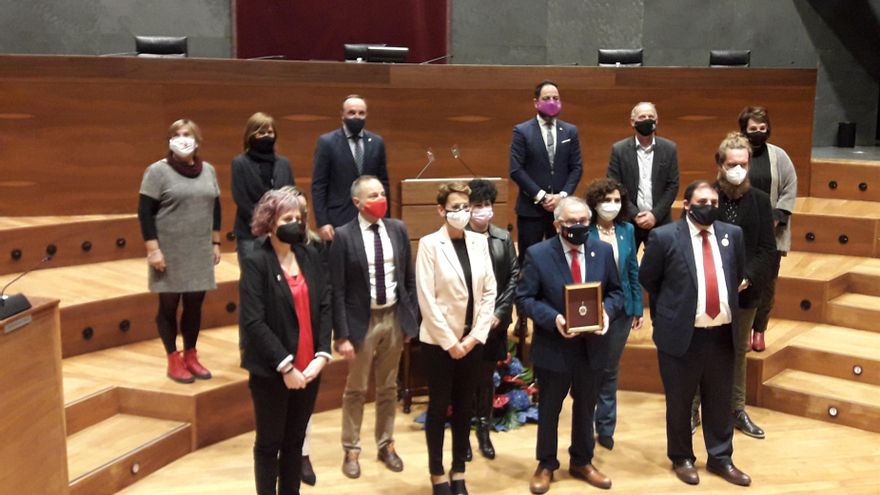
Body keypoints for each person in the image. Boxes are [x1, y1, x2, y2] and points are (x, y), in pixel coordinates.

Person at [639, 181, 751, 487]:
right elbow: (648, 277)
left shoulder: (732, 235)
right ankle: (682, 458)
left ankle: (720, 458)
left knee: (719, 401)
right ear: (687, 205)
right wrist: (672, 311)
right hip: (681, 336)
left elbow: (736, 274)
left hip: (722, 336)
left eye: (714, 201)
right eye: (703, 200)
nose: (710, 206)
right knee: (680, 401)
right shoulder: (664, 237)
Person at [517, 196, 624, 494]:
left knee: (586, 406)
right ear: (557, 225)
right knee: (549, 408)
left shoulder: (602, 251)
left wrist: (606, 312)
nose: (578, 227)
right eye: (571, 222)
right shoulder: (538, 254)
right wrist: (554, 319)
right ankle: (547, 463)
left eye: (583, 222)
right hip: (554, 346)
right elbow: (524, 299)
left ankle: (582, 460)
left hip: (592, 347)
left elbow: (615, 293)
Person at [239, 187, 333, 495]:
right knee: (269, 445)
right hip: (273, 372)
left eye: (299, 217)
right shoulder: (256, 261)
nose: (295, 222)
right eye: (287, 217)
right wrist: (285, 366)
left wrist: (322, 353)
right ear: (269, 221)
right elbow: (254, 321)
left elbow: (324, 303)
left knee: (295, 443)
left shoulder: (308, 254)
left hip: (309, 369)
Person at [329, 176, 420, 479]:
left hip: (393, 318)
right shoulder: (343, 236)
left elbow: (408, 279)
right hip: (361, 322)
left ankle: (386, 444)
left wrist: (410, 320)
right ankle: (351, 449)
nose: (381, 198)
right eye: (373, 195)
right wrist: (341, 335)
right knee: (355, 390)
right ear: (357, 202)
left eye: (382, 192)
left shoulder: (398, 229)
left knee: (388, 388)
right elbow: (337, 290)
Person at [690, 132, 775, 440]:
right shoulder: (707, 196)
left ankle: (736, 409)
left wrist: (747, 276)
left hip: (745, 292)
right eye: (732, 164)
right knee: (702, 349)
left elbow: (767, 248)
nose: (738, 169)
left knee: (738, 351)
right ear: (720, 164)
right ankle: (693, 407)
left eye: (743, 163)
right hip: (707, 290)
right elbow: (690, 241)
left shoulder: (760, 201)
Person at [416, 182, 497, 495]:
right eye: (455, 208)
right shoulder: (429, 244)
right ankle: (437, 474)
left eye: (466, 207)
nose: (462, 213)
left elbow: (489, 291)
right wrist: (451, 342)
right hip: (439, 343)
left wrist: (475, 336)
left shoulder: (479, 242)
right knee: (439, 408)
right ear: (441, 210)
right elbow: (426, 297)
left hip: (472, 341)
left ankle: (458, 471)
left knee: (465, 407)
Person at [138, 119, 221, 384]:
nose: (182, 138)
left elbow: (215, 206)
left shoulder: (208, 170)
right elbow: (145, 213)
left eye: (188, 134)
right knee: (169, 305)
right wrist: (153, 250)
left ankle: (191, 355)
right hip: (169, 250)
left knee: (195, 305)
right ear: (169, 140)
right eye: (177, 134)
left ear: (197, 140)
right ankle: (173, 358)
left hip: (199, 248)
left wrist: (216, 243)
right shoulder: (157, 172)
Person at [583, 178, 643, 451]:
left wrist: (637, 306)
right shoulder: (584, 231)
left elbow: (632, 269)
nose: (612, 205)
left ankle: (605, 426)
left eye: (617, 200)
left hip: (622, 309)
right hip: (591, 309)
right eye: (606, 200)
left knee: (610, 368)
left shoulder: (627, 230)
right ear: (595, 203)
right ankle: (584, 421)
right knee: (590, 367)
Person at [465, 178, 520, 460]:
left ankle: (484, 432)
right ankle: (463, 436)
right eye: (478, 206)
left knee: (486, 378)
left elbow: (512, 277)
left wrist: (499, 313)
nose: (484, 210)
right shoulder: (456, 237)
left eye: (487, 204)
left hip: (495, 324)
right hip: (465, 324)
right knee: (464, 379)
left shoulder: (501, 237)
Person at [738, 106, 797, 352]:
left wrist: (775, 218)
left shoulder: (779, 156)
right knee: (741, 282)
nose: (759, 133)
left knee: (766, 284)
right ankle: (740, 329)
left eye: (763, 129)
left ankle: (759, 330)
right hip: (741, 233)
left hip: (772, 233)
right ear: (744, 130)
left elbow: (789, 186)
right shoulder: (737, 155)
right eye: (753, 129)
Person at [509, 80, 584, 261]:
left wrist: (562, 196)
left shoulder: (570, 131)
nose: (552, 101)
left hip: (562, 211)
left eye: (555, 98)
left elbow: (576, 167)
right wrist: (542, 196)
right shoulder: (522, 131)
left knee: (560, 259)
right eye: (546, 98)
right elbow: (516, 169)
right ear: (536, 102)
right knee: (529, 260)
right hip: (531, 210)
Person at [312, 94, 390, 242]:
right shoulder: (327, 142)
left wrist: (385, 217)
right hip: (338, 218)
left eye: (361, 113)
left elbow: (383, 182)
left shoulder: (376, 142)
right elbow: (319, 185)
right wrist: (323, 221)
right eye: (351, 113)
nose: (356, 117)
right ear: (342, 115)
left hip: (371, 214)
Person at [607, 102, 680, 250]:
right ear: (632, 122)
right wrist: (635, 214)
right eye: (642, 117)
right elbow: (614, 185)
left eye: (651, 116)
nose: (647, 119)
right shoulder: (619, 150)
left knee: (662, 269)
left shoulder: (669, 148)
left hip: (660, 221)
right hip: (628, 221)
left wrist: (655, 215)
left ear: (657, 121)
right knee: (624, 265)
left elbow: (673, 185)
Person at [231, 112, 295, 267]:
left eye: (270, 132)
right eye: (261, 132)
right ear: (251, 135)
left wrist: (278, 223)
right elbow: (241, 198)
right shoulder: (240, 163)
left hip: (281, 232)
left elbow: (291, 195)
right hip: (250, 232)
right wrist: (265, 223)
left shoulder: (284, 163)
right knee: (252, 279)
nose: (266, 136)